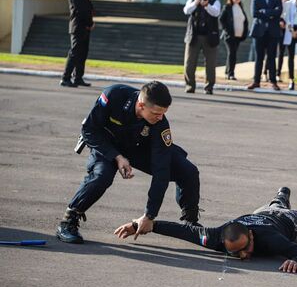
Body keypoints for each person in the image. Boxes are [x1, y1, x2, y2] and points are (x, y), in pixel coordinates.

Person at [56, 81, 202, 244]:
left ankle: (191, 224)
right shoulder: (114, 95)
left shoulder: (160, 122)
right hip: (107, 144)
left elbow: (161, 170)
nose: (160, 117)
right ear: (141, 105)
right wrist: (117, 157)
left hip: (138, 147)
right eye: (156, 113)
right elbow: (89, 130)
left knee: (188, 171)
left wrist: (149, 215)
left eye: (164, 113)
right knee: (102, 175)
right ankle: (68, 220)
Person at [114, 187, 297, 273]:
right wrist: (143, 224)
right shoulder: (216, 237)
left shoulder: (271, 240)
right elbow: (183, 231)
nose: (244, 256)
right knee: (273, 206)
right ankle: (281, 195)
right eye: (235, 254)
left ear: (251, 237)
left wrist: (296, 260)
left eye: (245, 250)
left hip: (293, 224)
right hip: (261, 213)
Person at [183, 0, 221, 95]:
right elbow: (186, 11)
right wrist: (196, 3)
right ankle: (190, 86)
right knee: (189, 63)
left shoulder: (215, 2)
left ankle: (209, 87)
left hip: (209, 37)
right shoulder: (191, 0)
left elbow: (216, 13)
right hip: (193, 36)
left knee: (210, 64)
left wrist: (207, 5)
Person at [247, 0, 283, 91]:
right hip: (259, 32)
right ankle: (256, 81)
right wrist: (270, 13)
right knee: (259, 57)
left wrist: (264, 11)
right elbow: (254, 13)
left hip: (272, 32)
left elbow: (278, 12)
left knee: (272, 57)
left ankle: (273, 82)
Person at [60, 0, 94, 88]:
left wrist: (89, 24)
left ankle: (78, 78)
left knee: (82, 54)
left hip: (85, 27)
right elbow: (80, 11)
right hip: (78, 27)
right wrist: (89, 23)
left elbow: (89, 7)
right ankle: (65, 78)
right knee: (74, 53)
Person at [220, 0, 248, 81]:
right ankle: (230, 74)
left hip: (238, 36)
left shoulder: (240, 7)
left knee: (233, 53)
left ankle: (227, 71)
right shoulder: (227, 7)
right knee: (232, 54)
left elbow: (244, 21)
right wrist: (227, 30)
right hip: (229, 36)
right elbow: (221, 19)